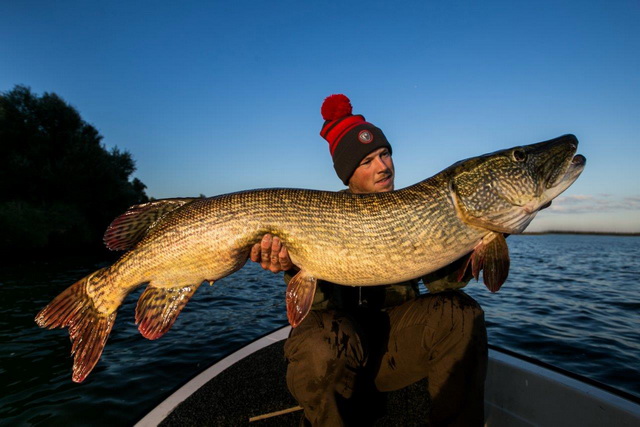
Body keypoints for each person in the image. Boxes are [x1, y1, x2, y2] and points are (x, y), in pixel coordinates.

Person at [250, 94, 487, 426]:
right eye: (367, 161)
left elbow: (445, 286)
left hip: (392, 347)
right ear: (348, 173)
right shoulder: (316, 214)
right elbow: (315, 313)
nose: (383, 167)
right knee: (321, 346)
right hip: (339, 350)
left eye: (385, 153)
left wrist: (476, 237)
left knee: (461, 313)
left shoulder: (413, 209)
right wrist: (290, 267)